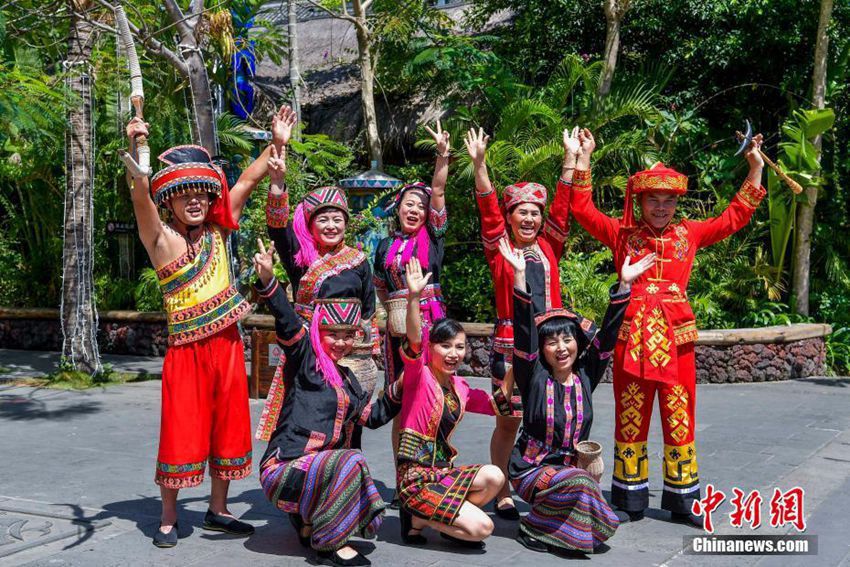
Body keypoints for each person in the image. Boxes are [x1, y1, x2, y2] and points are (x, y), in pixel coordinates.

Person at [569, 128, 767, 526]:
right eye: (653, 200)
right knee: (630, 414)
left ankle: (683, 501)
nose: (661, 207)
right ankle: (629, 500)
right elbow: (582, 210)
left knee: (680, 416)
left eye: (668, 200)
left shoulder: (688, 233)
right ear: (640, 200)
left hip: (676, 341)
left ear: (677, 202)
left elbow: (734, 217)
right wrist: (584, 157)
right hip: (632, 337)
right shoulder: (622, 234)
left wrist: (755, 168)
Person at [122, 105, 295, 547]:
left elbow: (248, 181)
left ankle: (218, 509)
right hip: (186, 354)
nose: (196, 200)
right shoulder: (160, 240)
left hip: (226, 346)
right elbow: (140, 193)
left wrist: (277, 143)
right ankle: (167, 516)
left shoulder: (218, 230)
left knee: (228, 425)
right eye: (186, 195)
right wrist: (135, 144)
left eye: (202, 193)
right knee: (180, 429)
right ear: (171, 202)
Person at [499, 236, 654, 555]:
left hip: (571, 467)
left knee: (585, 477)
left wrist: (623, 286)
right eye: (552, 342)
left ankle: (560, 522)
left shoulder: (586, 374)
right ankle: (533, 526)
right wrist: (518, 278)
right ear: (542, 350)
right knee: (583, 486)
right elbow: (525, 333)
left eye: (567, 339)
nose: (560, 347)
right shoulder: (534, 376)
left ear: (577, 344)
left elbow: (608, 338)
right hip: (531, 469)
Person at [252, 239, 401, 567]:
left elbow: (372, 417)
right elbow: (288, 319)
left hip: (316, 473)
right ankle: (330, 542)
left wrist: (399, 388)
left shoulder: (348, 380)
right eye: (333, 334)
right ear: (319, 331)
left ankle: (310, 523)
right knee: (349, 460)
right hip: (283, 471)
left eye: (348, 335)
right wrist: (267, 280)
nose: (342, 342)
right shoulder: (305, 357)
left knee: (347, 457)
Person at [464, 126, 578, 519]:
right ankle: (504, 490)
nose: (529, 218)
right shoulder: (499, 248)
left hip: (552, 343)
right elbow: (487, 209)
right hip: (510, 345)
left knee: (554, 418)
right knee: (509, 420)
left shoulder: (550, 245)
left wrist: (570, 159)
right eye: (521, 212)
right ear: (510, 218)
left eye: (534, 213)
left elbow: (563, 206)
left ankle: (552, 485)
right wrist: (479, 164)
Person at [255, 143, 377, 443]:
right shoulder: (301, 259)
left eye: (337, 219)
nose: (331, 225)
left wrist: (364, 356)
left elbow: (368, 310)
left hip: (347, 351)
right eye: (323, 219)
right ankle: (296, 466)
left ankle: (345, 469)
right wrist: (277, 184)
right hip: (308, 348)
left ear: (346, 224)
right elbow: (278, 228)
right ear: (310, 225)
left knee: (348, 409)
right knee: (303, 405)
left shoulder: (359, 262)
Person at [396, 258, 506, 549]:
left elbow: (499, 403)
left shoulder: (460, 387)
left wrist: (522, 355)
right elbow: (413, 337)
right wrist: (414, 297)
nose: (454, 353)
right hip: (415, 480)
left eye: (460, 347)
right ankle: (416, 517)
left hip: (443, 474)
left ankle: (441, 518)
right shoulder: (418, 375)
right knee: (483, 527)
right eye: (445, 346)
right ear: (431, 348)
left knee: (495, 476)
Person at [372, 121, 450, 504]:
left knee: (433, 398)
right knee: (401, 400)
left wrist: (441, 155)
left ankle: (435, 473)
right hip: (395, 333)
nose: (416, 210)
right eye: (409, 204)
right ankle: (404, 479)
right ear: (398, 209)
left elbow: (438, 191)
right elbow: (379, 286)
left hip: (431, 324)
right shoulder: (384, 244)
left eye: (421, 206)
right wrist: (382, 320)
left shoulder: (432, 237)